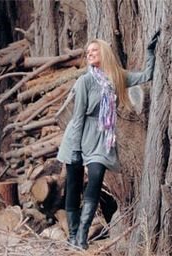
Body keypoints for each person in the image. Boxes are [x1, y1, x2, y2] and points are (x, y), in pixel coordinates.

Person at [56, 30, 160, 250]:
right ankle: (73, 236)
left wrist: (150, 52)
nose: (90, 54)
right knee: (73, 186)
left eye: (94, 50)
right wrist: (75, 150)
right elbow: (78, 117)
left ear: (104, 52)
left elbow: (146, 76)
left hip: (101, 138)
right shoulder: (85, 81)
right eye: (87, 52)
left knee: (94, 180)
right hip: (78, 134)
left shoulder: (117, 77)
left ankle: (82, 236)